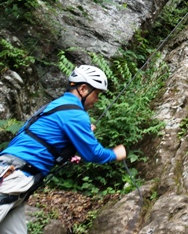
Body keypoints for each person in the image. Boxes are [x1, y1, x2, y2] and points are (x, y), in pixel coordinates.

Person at [0, 65, 127, 233]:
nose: (97, 99)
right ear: (83, 89)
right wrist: (116, 153)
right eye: (96, 93)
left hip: (14, 173)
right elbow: (93, 154)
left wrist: (81, 133)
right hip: (15, 176)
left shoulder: (55, 105)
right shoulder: (76, 114)